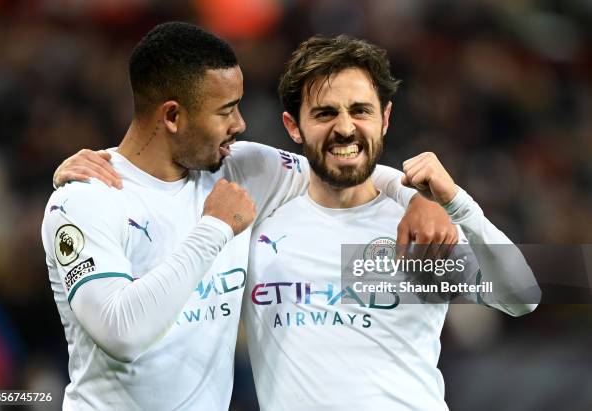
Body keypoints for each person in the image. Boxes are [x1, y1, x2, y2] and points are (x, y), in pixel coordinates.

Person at [43, 23, 456, 410]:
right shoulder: (85, 202)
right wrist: (215, 229)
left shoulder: (240, 168)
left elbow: (341, 165)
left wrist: (421, 195)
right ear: (172, 116)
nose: (240, 124)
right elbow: (122, 333)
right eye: (225, 111)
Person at [242, 35, 540, 410]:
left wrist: (458, 205)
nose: (346, 128)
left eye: (360, 110)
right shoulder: (261, 226)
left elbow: (522, 298)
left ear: (384, 119)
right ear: (293, 126)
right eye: (325, 113)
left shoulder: (423, 228)